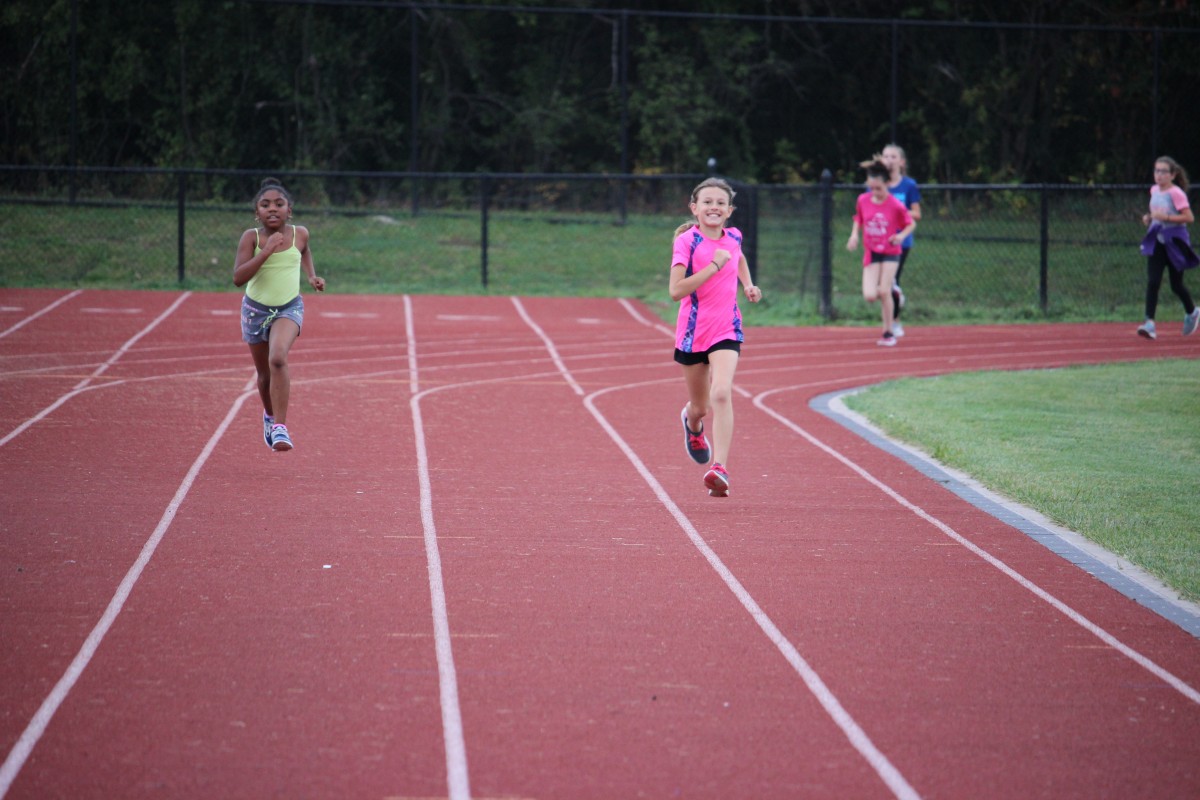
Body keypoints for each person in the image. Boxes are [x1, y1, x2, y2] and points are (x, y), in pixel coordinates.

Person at [669, 177, 763, 497]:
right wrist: (712, 267)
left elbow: (737, 257)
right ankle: (692, 425)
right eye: (707, 202)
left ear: (729, 210)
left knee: (721, 392)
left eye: (720, 203)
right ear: (694, 208)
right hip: (693, 332)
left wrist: (747, 284)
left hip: (726, 328)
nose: (714, 207)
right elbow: (675, 291)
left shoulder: (733, 236)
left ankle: (719, 468)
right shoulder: (686, 242)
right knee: (701, 407)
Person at [233, 177, 325, 451]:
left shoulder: (300, 234)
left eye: (279, 204)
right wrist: (268, 250)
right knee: (263, 375)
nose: (272, 209)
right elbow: (238, 278)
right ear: (257, 212)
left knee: (277, 358)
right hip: (255, 311)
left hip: (288, 307)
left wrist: (311, 276)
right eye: (265, 205)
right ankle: (269, 415)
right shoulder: (252, 238)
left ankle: (280, 427)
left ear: (289, 210)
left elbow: (305, 251)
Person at [847, 159, 916, 346]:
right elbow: (858, 218)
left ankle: (888, 332)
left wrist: (901, 237)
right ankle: (895, 293)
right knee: (870, 295)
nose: (875, 193)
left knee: (883, 291)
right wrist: (854, 236)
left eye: (878, 189)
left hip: (890, 251)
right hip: (871, 251)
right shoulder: (863, 199)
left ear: (886, 184)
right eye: (872, 188)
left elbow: (911, 223)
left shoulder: (895, 205)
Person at [1137, 156, 1199, 340]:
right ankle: (1149, 323)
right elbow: (1157, 213)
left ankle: (1192, 312)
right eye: (1157, 171)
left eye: (1163, 171)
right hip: (1157, 240)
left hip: (1175, 243)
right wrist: (1149, 218)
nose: (1159, 175)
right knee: (1153, 281)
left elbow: (1189, 217)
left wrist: (1166, 218)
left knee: (1176, 285)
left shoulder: (1177, 193)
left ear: (1173, 175)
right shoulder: (1154, 190)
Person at [881, 144, 922, 337]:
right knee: (884, 284)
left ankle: (894, 322)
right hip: (879, 239)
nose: (889, 160)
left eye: (893, 156)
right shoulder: (877, 183)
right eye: (885, 156)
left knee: (890, 282)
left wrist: (897, 210)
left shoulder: (909, 185)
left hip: (900, 240)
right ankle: (892, 318)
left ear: (901, 162)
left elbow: (917, 213)